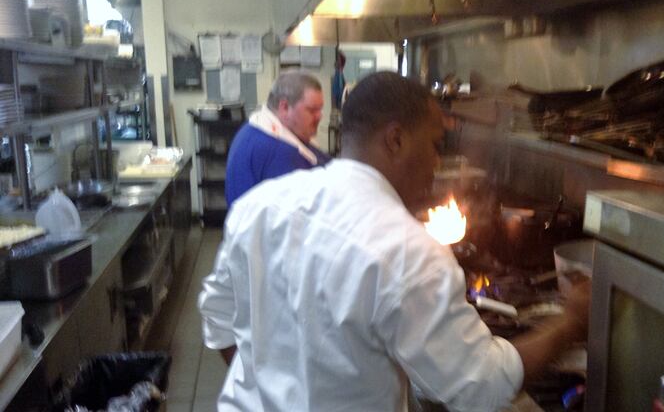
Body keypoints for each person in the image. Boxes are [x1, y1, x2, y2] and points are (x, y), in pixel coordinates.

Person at [198, 72, 590, 412]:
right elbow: (483, 385)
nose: (437, 162)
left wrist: (266, 386)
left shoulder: (259, 206)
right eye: (435, 144)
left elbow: (217, 320)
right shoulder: (409, 251)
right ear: (396, 140)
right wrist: (571, 320)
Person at [224, 70, 330, 207]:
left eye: (320, 109)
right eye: (312, 110)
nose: (319, 116)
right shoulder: (276, 150)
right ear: (284, 107)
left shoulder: (257, 126)